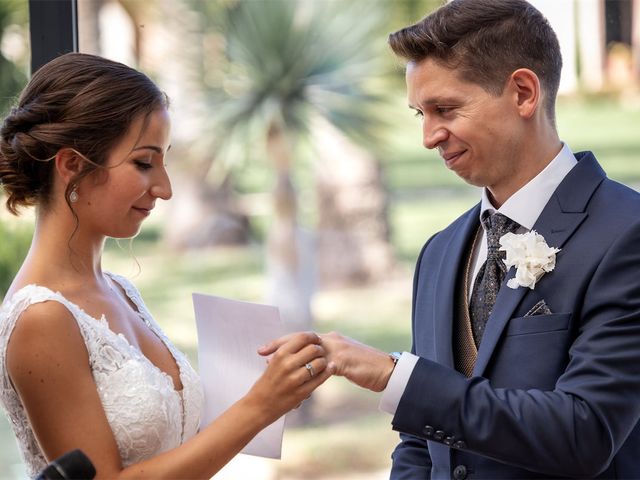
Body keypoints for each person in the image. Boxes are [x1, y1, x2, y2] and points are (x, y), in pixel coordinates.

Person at [261, 0, 640, 478]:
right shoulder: (440, 252)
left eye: (445, 109)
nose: (427, 136)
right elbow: (422, 442)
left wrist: (393, 375)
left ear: (523, 93)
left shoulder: (627, 234)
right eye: (419, 112)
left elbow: (584, 433)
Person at [0, 52, 333, 479]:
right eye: (143, 163)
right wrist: (260, 405)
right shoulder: (42, 318)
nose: (165, 188)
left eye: (163, 161)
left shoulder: (119, 289)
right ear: (72, 165)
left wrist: (269, 383)